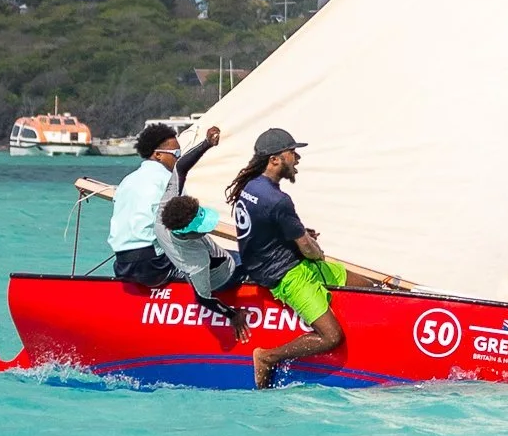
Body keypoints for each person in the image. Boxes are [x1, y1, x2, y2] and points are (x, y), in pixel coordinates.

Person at [226, 127, 397, 388]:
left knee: (370, 287)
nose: (297, 159)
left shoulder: (249, 186)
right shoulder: (278, 199)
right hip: (287, 276)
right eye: (292, 153)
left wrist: (298, 235)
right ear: (275, 159)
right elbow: (309, 251)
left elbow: (264, 227)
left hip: (285, 260)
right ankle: (267, 357)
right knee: (331, 337)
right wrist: (313, 245)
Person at [109, 122, 220, 287]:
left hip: (122, 265)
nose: (179, 158)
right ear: (158, 155)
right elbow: (189, 226)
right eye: (176, 153)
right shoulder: (170, 181)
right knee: (223, 262)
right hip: (154, 266)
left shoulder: (127, 181)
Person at [157, 194, 251, 342]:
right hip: (225, 276)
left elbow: (179, 172)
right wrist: (232, 315)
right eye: (202, 228)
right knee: (258, 261)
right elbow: (203, 298)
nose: (208, 229)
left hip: (221, 256)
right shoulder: (197, 262)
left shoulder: (160, 219)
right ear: (187, 234)